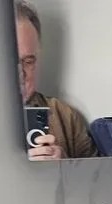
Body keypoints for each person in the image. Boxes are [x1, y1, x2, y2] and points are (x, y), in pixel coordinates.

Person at [14, 1, 98, 160]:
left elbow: (100, 180)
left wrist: (65, 167)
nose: (21, 75)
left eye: (28, 62)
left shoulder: (65, 117)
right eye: (12, 62)